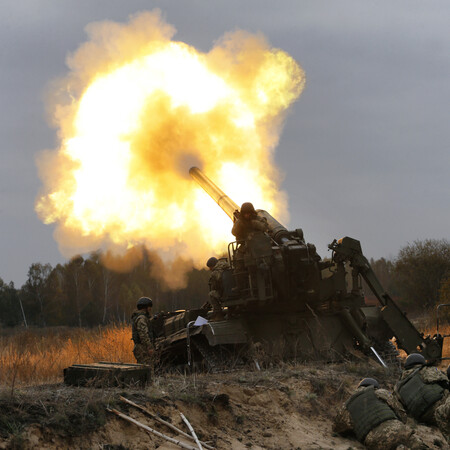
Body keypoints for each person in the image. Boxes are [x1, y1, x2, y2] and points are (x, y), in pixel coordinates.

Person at [333, 377, 427, 449]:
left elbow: (337, 428)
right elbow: (402, 414)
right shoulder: (382, 392)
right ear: (375, 387)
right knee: (418, 445)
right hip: (398, 429)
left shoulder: (347, 405)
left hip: (374, 439)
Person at [395, 353, 450, 442]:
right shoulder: (426, 370)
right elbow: (445, 381)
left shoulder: (397, 387)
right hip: (440, 405)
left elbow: (402, 408)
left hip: (424, 418)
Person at [131, 296, 154, 365]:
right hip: (142, 348)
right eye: (149, 307)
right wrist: (149, 347)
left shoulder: (141, 317)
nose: (150, 309)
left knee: (143, 368)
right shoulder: (141, 318)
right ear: (145, 307)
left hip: (141, 347)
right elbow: (143, 335)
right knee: (147, 368)